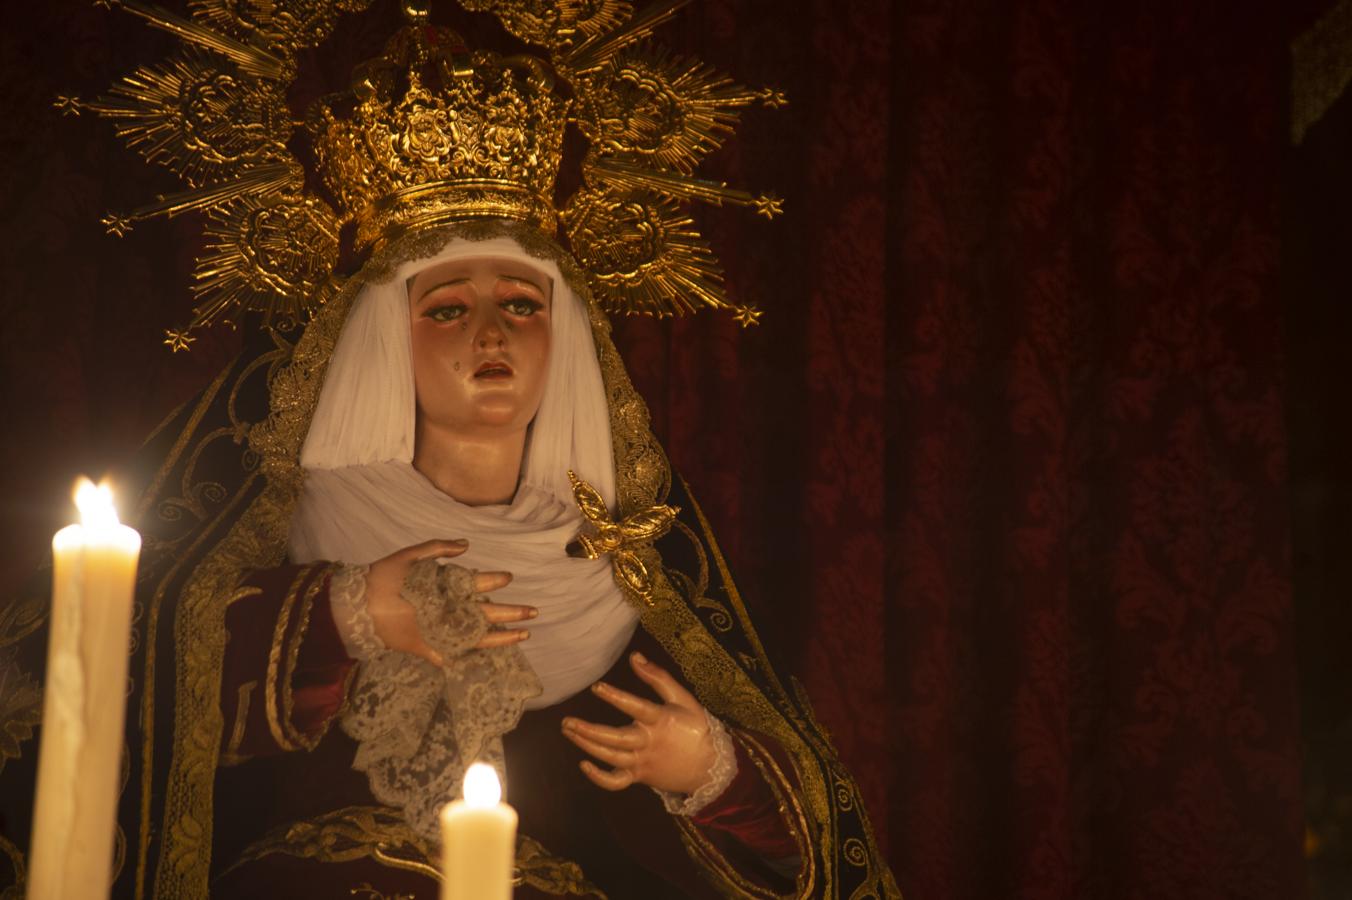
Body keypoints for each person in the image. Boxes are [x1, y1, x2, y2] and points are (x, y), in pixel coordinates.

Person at [0, 4, 898, 897]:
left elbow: (825, 846)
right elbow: (82, 694)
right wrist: (342, 615)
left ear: (565, 338)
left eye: (521, 303)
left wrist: (711, 770)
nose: (489, 334)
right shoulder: (278, 508)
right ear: (386, 341)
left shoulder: (622, 558)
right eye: (445, 308)